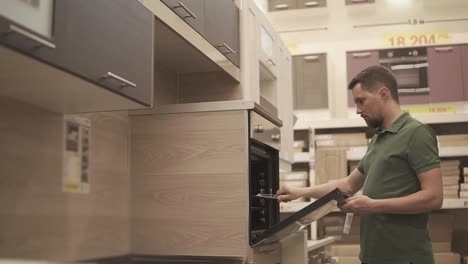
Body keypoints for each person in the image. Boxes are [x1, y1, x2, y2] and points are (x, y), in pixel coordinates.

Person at [276, 65, 443, 264]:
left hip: (405, 258)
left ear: (383, 94)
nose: (357, 110)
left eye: (361, 101)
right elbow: (348, 185)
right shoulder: (378, 139)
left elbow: (434, 197)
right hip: (373, 257)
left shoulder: (416, 133)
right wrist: (300, 192)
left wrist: (373, 206)